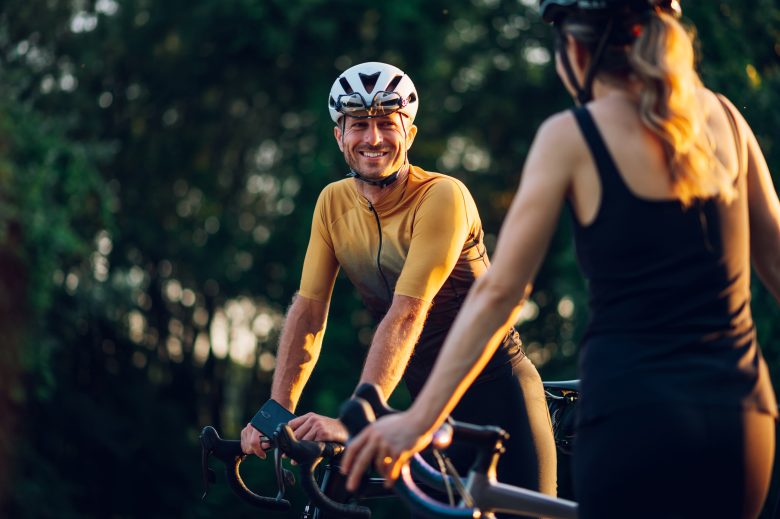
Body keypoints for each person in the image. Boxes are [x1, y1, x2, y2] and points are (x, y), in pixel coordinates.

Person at [341, 3, 780, 518]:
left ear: (575, 49)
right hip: (742, 414)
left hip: (633, 415)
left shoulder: (571, 135)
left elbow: (500, 294)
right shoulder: (725, 117)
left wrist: (418, 419)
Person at [240, 61, 557, 501]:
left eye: (387, 124)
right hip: (427, 411)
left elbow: (408, 312)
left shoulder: (441, 196)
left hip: (500, 400)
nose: (373, 138)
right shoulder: (332, 203)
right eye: (359, 125)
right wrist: (277, 412)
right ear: (339, 135)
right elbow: (309, 310)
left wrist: (356, 418)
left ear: (409, 133)